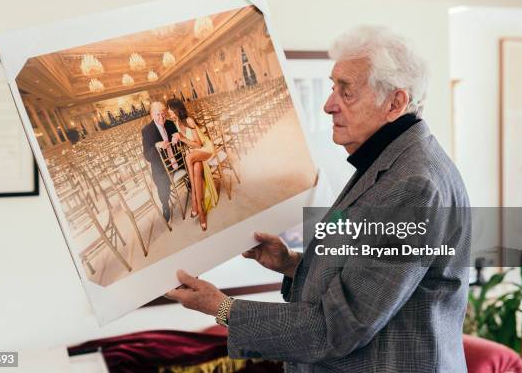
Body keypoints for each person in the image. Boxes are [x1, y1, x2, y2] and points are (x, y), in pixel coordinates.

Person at [165, 26, 471, 372]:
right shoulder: (393, 159)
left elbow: (340, 325)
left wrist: (221, 307)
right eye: (332, 87)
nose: (328, 105)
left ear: (395, 103)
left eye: (347, 92)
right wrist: (292, 263)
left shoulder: (414, 184)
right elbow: (365, 276)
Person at [167, 98, 217, 231]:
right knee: (195, 167)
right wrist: (177, 139)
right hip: (196, 153)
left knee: (189, 157)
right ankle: (200, 210)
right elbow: (186, 144)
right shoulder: (176, 123)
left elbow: (199, 144)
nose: (168, 111)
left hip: (205, 149)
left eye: (170, 109)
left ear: (176, 109)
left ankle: (194, 200)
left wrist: (182, 138)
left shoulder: (189, 120)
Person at [141, 101, 180, 222]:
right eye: (158, 114)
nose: (161, 117)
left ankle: (189, 184)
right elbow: (147, 155)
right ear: (152, 115)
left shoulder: (170, 123)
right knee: (162, 186)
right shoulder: (147, 131)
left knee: (190, 162)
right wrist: (157, 146)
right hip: (162, 168)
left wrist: (178, 136)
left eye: (163, 114)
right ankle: (165, 204)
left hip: (177, 159)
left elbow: (180, 140)